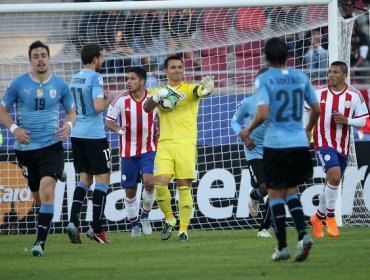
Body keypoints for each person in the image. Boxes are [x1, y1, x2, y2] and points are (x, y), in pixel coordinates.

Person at [239, 37, 321, 262]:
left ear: (266, 57)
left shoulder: (265, 79)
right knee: (292, 192)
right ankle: (303, 235)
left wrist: (248, 130)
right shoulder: (301, 77)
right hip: (298, 142)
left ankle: (283, 246)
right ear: (288, 56)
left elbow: (263, 112)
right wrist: (307, 130)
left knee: (275, 194)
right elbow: (316, 109)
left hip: (275, 143)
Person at [0, 40, 76, 256]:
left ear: (49, 58)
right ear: (30, 60)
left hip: (52, 145)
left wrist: (69, 125)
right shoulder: (18, 84)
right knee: (37, 195)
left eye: (44, 55)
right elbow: (2, 110)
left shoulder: (60, 85)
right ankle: (56, 174)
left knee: (47, 190)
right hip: (25, 149)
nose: (40, 59)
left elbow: (72, 113)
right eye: (36, 56)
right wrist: (14, 129)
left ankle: (39, 243)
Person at [143, 55, 214, 241]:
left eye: (180, 67)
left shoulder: (190, 89)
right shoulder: (159, 90)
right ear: (165, 71)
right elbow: (146, 107)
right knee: (159, 184)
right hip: (165, 144)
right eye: (173, 67)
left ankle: (183, 230)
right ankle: (169, 218)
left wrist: (208, 89)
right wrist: (158, 97)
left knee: (184, 186)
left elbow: (201, 91)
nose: (177, 70)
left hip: (186, 144)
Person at [310, 61, 369, 238]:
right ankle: (330, 217)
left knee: (331, 182)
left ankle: (317, 218)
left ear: (344, 75)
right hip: (322, 141)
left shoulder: (355, 95)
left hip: (342, 146)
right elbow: (307, 112)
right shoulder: (318, 92)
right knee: (335, 176)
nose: (331, 75)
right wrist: (305, 131)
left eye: (335, 72)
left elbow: (363, 120)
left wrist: (346, 121)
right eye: (330, 72)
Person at [66, 43, 112, 244]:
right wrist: (108, 99)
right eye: (101, 57)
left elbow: (75, 109)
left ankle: (73, 222)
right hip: (94, 134)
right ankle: (97, 229)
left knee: (84, 179)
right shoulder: (95, 78)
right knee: (102, 181)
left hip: (77, 134)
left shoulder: (75, 77)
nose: (102, 61)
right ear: (94, 59)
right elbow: (98, 106)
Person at [105, 66, 157, 237]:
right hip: (128, 153)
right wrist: (119, 129)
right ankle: (134, 224)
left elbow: (163, 116)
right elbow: (109, 122)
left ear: (142, 81)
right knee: (130, 190)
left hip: (148, 149)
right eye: (128, 78)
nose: (129, 82)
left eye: (133, 79)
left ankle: (145, 216)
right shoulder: (120, 100)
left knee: (149, 182)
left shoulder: (153, 98)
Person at [230, 67, 272, 238]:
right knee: (265, 187)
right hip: (253, 151)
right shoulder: (248, 102)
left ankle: (264, 228)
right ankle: (254, 195)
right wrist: (245, 138)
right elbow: (234, 121)